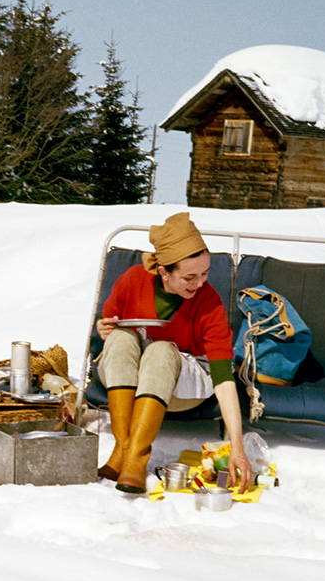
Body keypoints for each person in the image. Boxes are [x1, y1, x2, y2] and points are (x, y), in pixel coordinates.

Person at [94, 211, 252, 494]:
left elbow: (223, 377)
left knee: (161, 351)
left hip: (181, 388)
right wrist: (104, 327)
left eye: (205, 273)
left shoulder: (209, 302)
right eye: (190, 276)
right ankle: (123, 449)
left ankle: (136, 460)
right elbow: (109, 322)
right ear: (163, 271)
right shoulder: (133, 280)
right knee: (119, 338)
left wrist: (237, 447)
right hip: (130, 377)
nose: (200, 283)